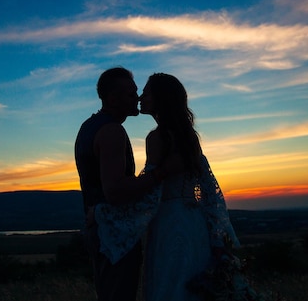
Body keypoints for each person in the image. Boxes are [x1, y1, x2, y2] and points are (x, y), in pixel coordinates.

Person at [94, 73, 240, 301]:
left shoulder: (157, 138)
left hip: (168, 223)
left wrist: (104, 215)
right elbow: (209, 190)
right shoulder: (189, 136)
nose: (141, 97)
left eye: (147, 92)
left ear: (160, 98)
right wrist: (217, 236)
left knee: (169, 287)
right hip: (195, 223)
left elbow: (150, 192)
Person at [74, 67, 170, 301]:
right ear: (112, 98)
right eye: (130, 94)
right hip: (113, 232)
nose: (137, 98)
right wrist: (160, 175)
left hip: (101, 227)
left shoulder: (89, 126)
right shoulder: (112, 131)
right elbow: (115, 191)